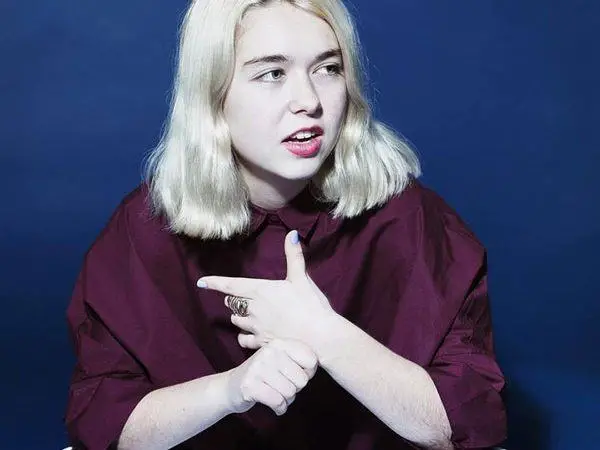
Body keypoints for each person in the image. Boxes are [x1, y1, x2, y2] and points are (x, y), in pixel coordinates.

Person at [64, 0, 507, 449]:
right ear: (213, 94)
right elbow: (106, 428)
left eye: (328, 68)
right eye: (272, 73)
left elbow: (467, 424)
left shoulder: (414, 220)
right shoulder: (142, 230)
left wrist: (324, 333)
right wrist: (230, 390)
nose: (309, 102)